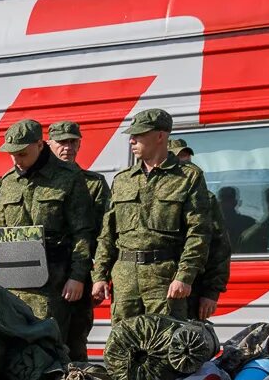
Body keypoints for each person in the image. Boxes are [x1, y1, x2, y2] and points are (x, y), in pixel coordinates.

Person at [92, 111, 214, 322]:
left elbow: (199, 233)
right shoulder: (123, 179)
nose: (132, 140)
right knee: (125, 339)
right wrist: (100, 276)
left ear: (160, 136)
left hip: (164, 279)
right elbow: (107, 233)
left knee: (164, 339)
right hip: (125, 280)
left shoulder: (188, 177)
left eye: (139, 135)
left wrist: (184, 277)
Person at [0, 118, 94, 348]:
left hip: (54, 284)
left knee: (51, 347)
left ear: (39, 144)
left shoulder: (68, 177)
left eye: (22, 153)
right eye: (12, 154)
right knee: (16, 349)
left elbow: (83, 232)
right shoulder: (9, 181)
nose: (17, 160)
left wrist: (77, 276)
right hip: (13, 283)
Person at [47, 119, 110, 359]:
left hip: (78, 272)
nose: (68, 147)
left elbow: (104, 233)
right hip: (44, 274)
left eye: (73, 142)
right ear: (49, 144)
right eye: (62, 142)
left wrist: (99, 276)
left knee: (76, 340)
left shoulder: (93, 184)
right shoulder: (40, 181)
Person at [169, 139, 231, 318]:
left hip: (191, 289)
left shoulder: (206, 199)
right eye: (180, 162)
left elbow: (219, 247)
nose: (187, 168)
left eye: (187, 162)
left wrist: (211, 292)